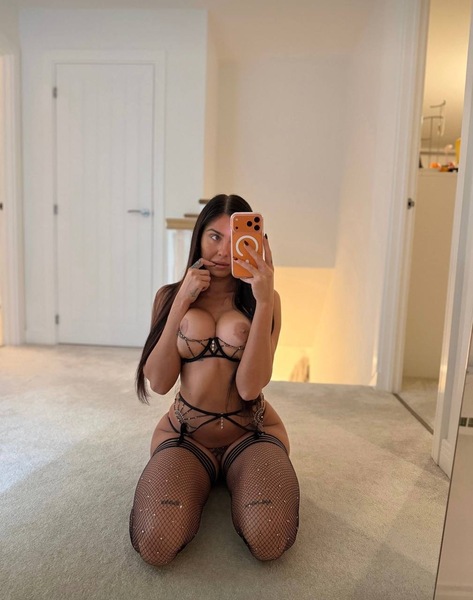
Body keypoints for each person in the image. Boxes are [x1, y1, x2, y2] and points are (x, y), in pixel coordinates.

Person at [129, 194, 300, 566]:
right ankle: (205, 480)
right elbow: (159, 382)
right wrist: (181, 302)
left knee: (269, 540)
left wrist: (264, 301)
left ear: (255, 242)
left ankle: (236, 479)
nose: (223, 251)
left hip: (250, 432)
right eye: (214, 236)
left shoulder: (266, 301)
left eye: (235, 238)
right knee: (155, 544)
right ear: (199, 237)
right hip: (186, 434)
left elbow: (250, 388)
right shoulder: (169, 296)